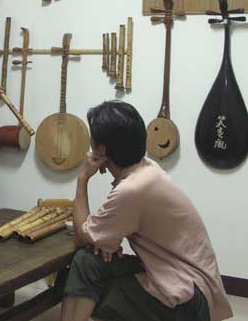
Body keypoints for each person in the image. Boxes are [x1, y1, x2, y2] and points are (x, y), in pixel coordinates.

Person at [61, 100, 232, 321]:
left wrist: (83, 178)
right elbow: (97, 236)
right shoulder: (147, 168)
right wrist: (102, 241)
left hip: (188, 298)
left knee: (93, 288)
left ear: (101, 150)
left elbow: (82, 237)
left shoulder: (132, 189)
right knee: (86, 262)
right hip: (187, 279)